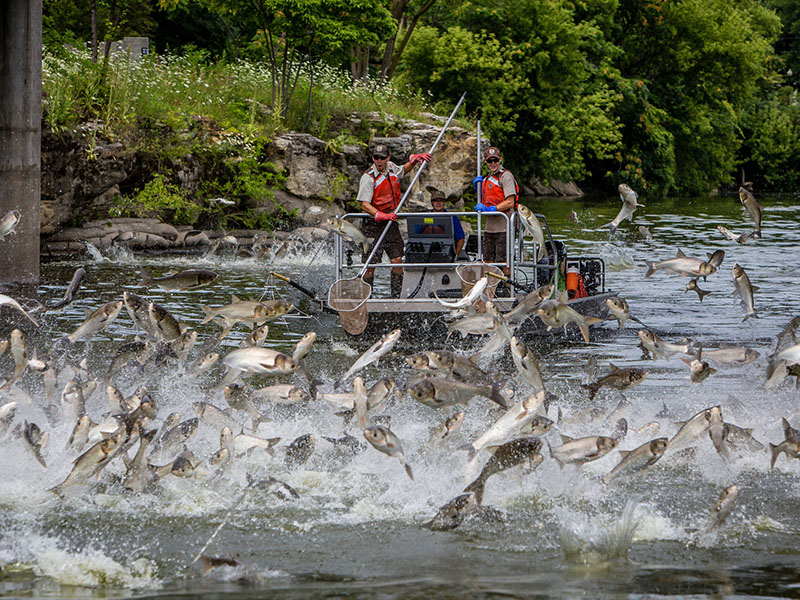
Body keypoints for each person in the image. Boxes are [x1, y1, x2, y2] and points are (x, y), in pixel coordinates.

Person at [358, 143, 431, 297]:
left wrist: (414, 162)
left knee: (397, 259)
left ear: (388, 158)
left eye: (382, 158)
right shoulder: (368, 177)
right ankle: (367, 298)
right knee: (371, 264)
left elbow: (403, 170)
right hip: (373, 224)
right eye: (376, 158)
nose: (379, 161)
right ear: (373, 158)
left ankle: (395, 297)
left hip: (390, 222)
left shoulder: (391, 168)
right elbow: (364, 205)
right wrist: (380, 215)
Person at [472, 146, 519, 288]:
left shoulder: (506, 176)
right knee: (487, 260)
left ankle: (506, 289)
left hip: (504, 227)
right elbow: (487, 197)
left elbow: (510, 201)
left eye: (495, 160)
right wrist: (478, 189)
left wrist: (492, 209)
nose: (493, 163)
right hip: (490, 228)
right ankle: (489, 289)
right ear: (486, 162)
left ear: (500, 160)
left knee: (504, 261)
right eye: (489, 161)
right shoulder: (486, 179)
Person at [429, 190, 465, 258]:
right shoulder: (424, 216)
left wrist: (455, 256)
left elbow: (461, 238)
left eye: (441, 201)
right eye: (435, 201)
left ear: (444, 203)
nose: (438, 203)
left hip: (447, 252)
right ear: (432, 203)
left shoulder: (452, 217)